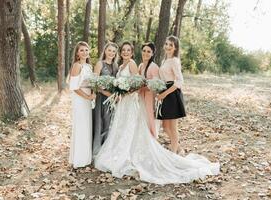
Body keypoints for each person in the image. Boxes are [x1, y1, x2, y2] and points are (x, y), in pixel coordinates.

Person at [94, 41, 219, 185]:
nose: (125, 52)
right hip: (122, 103)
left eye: (128, 50)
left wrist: (126, 92)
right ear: (120, 52)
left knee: (132, 128)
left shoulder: (133, 64)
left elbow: (138, 83)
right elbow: (135, 82)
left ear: (132, 52)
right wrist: (119, 91)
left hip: (130, 101)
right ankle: (121, 152)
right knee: (121, 128)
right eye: (123, 50)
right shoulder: (121, 66)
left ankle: (158, 151)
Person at [157, 35, 186, 154]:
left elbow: (179, 81)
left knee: (173, 127)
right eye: (166, 44)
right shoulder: (164, 60)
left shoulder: (174, 61)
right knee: (165, 126)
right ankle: (178, 148)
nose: (168, 47)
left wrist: (165, 94)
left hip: (172, 94)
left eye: (171, 45)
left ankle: (174, 153)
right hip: (164, 91)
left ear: (175, 48)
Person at [68, 41, 96, 168]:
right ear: (77, 53)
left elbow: (91, 83)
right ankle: (78, 159)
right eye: (81, 50)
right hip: (80, 99)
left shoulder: (89, 67)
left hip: (88, 99)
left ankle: (86, 158)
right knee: (80, 127)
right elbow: (74, 86)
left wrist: (93, 93)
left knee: (87, 126)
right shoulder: (77, 66)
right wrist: (88, 97)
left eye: (86, 50)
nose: (84, 52)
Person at [93, 42, 119, 156]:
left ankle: (107, 150)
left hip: (112, 99)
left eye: (114, 51)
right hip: (102, 97)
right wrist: (105, 92)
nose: (111, 53)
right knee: (101, 122)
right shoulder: (100, 64)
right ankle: (98, 150)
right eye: (109, 50)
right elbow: (94, 82)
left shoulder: (116, 66)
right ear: (105, 51)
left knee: (109, 123)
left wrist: (115, 95)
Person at [138, 42, 159, 138]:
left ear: (152, 53)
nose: (145, 53)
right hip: (141, 97)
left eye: (148, 51)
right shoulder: (141, 66)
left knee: (149, 117)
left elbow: (156, 85)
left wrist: (143, 87)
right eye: (144, 51)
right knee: (142, 118)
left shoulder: (153, 67)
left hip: (149, 97)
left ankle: (152, 138)